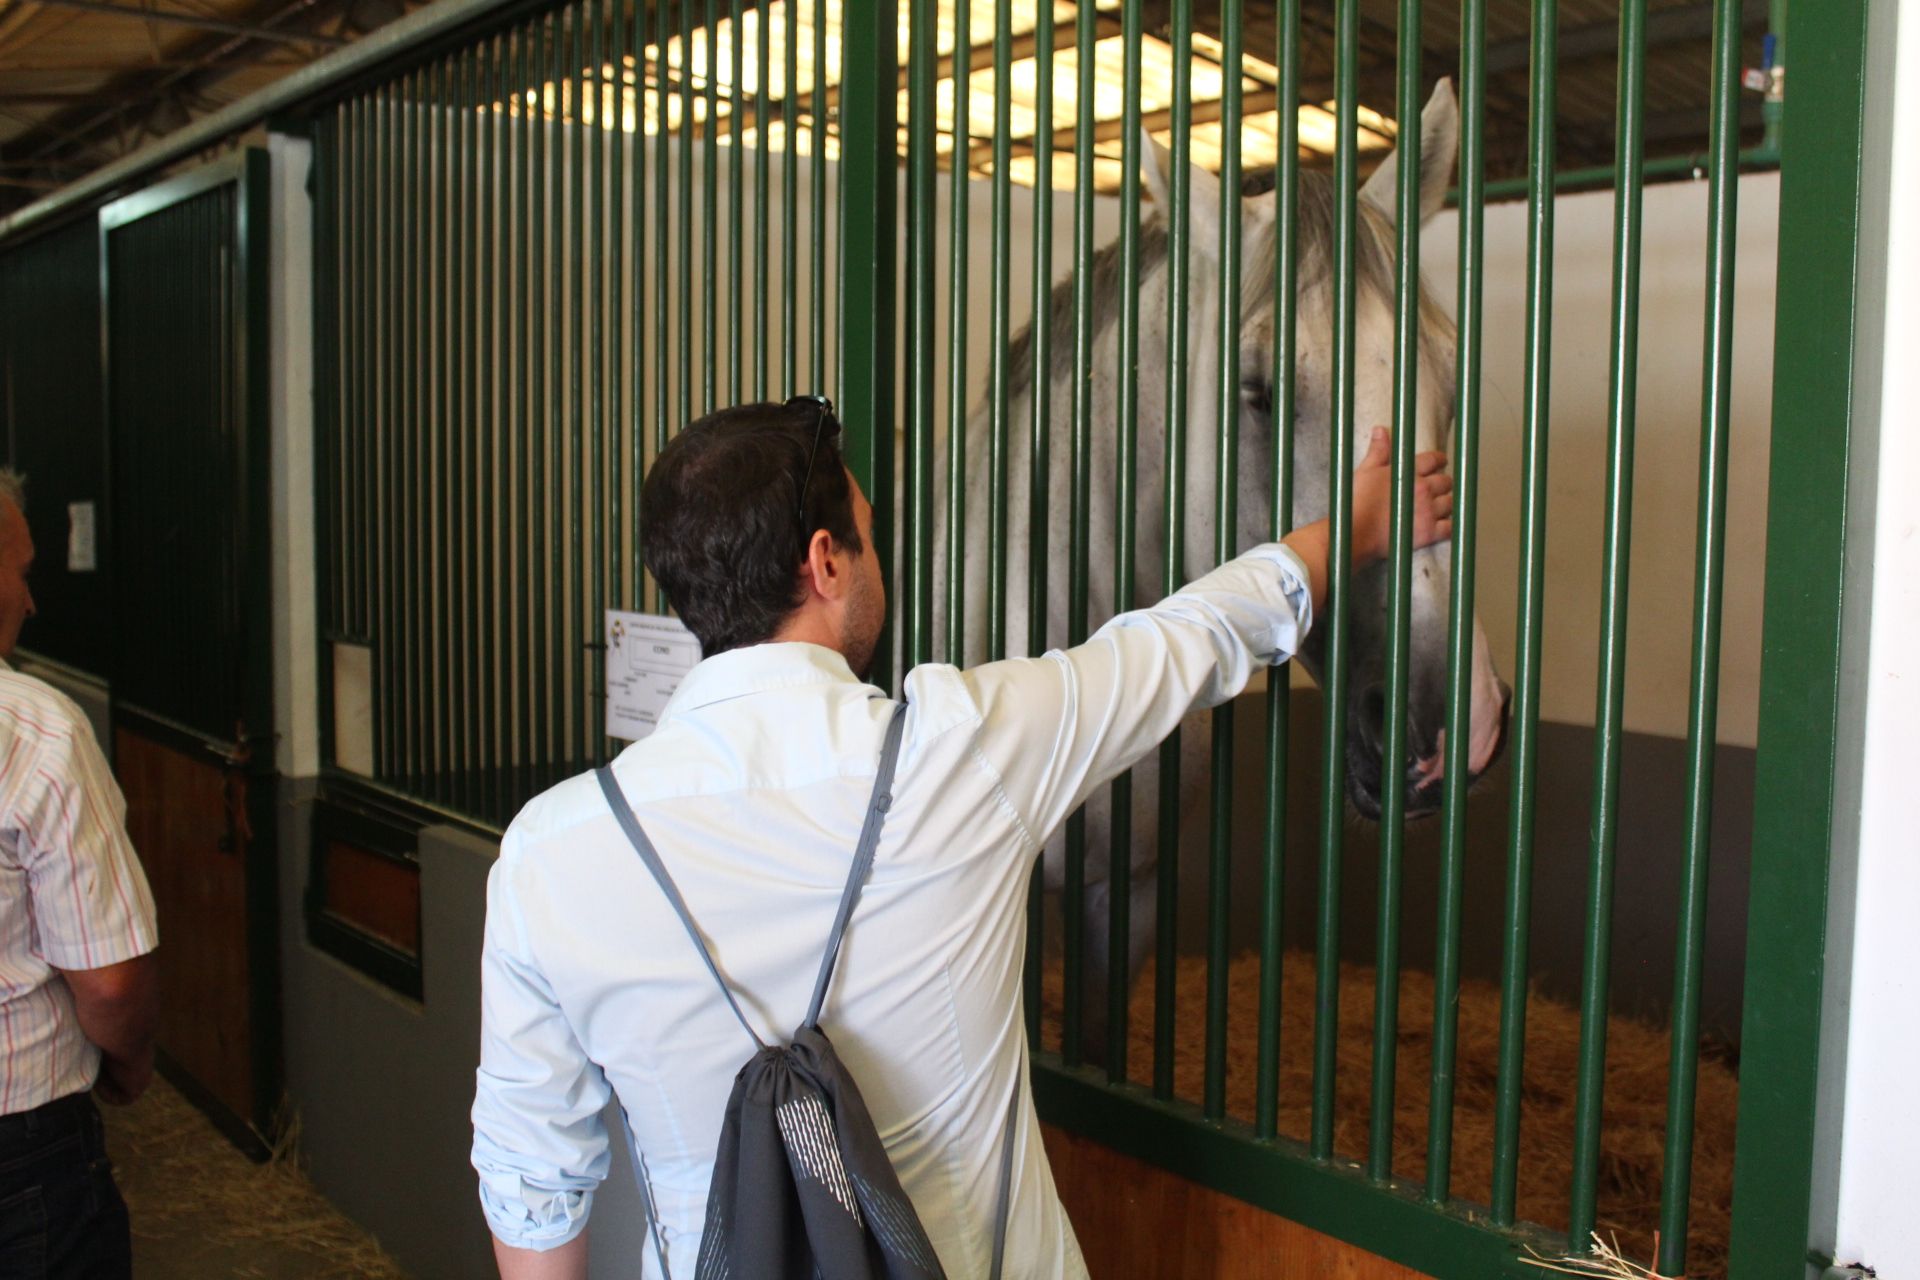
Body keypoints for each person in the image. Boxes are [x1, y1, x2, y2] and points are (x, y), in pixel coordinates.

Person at [471, 401, 1453, 1279]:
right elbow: (1185, 639)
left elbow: (533, 1180)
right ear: (825, 562)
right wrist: (1359, 527)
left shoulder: (549, 854)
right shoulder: (960, 750)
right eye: (866, 531)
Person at [0, 469, 160, 1278]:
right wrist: (130, 1064)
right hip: (21, 1147)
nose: (30, 603)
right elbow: (112, 986)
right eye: (22, 575)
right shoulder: (35, 732)